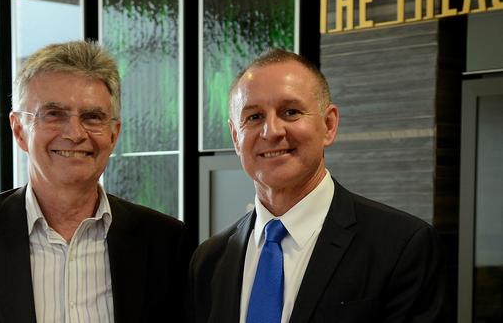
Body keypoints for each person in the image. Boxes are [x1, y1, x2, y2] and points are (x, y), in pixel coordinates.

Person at [0, 41, 190, 323]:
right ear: (19, 130)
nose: (75, 133)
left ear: (113, 134)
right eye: (54, 114)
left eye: (93, 117)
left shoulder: (165, 242)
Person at [188, 49, 444, 323]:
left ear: (329, 125)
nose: (271, 131)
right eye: (254, 117)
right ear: (236, 137)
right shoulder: (209, 259)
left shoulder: (401, 246)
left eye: (290, 112)